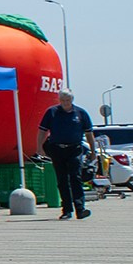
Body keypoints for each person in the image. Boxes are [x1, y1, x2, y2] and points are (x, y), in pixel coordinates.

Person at [36, 90, 94, 221]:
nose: (65, 103)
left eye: (67, 100)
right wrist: (39, 147)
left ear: (72, 100)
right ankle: (67, 210)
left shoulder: (81, 113)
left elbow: (89, 133)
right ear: (59, 100)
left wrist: (93, 151)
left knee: (75, 177)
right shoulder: (52, 112)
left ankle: (80, 208)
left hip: (75, 149)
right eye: (63, 100)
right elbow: (42, 131)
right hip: (57, 149)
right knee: (62, 180)